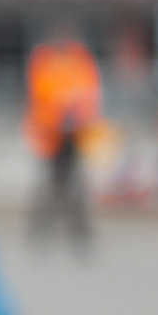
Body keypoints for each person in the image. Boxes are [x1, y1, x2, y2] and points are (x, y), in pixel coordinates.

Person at [25, 25, 100, 252]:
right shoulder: (44, 60)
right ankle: (40, 232)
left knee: (75, 186)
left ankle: (80, 234)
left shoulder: (80, 60)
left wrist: (78, 115)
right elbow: (38, 94)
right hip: (50, 133)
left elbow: (89, 92)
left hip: (75, 133)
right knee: (48, 185)